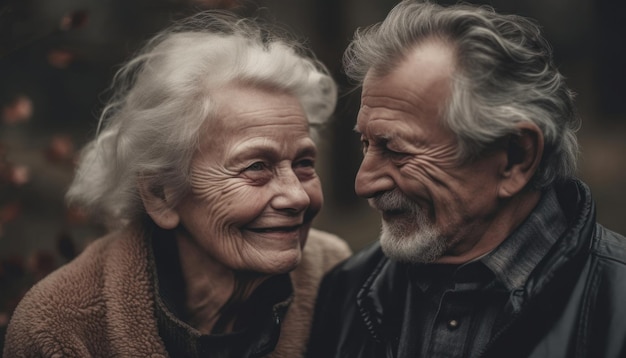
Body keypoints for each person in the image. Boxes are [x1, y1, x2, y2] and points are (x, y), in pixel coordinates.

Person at [3, 10, 351, 358]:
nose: (297, 196)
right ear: (161, 194)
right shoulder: (60, 328)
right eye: (256, 166)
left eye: (304, 163)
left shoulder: (334, 275)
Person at [307, 1, 626, 357]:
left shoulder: (617, 303)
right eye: (366, 144)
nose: (364, 183)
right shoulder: (346, 290)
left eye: (396, 150)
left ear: (515, 157)